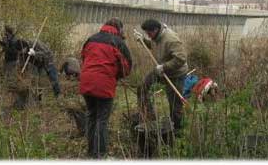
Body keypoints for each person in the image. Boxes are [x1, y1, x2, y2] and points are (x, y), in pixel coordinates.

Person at [79, 18, 132, 159]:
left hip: (86, 82)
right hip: (104, 86)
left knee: (91, 116)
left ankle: (91, 152)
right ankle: (100, 155)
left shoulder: (91, 39)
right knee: (101, 119)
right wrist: (118, 75)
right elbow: (127, 66)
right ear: (119, 29)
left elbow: (84, 57)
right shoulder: (118, 42)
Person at [135, 19, 188, 131]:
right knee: (142, 87)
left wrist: (164, 67)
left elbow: (181, 58)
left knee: (174, 105)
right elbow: (154, 45)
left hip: (175, 74)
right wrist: (142, 40)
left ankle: (177, 131)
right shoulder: (155, 37)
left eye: (149, 34)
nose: (148, 36)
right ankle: (149, 117)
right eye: (146, 34)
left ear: (156, 29)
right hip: (161, 70)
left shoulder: (171, 39)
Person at [13, 39, 61, 109]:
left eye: (22, 50)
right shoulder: (21, 51)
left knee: (53, 78)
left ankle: (58, 96)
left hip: (48, 61)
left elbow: (46, 54)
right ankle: (39, 99)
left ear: (25, 47)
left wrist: (35, 53)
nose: (21, 52)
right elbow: (22, 62)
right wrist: (21, 71)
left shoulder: (35, 43)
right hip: (37, 64)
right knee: (38, 81)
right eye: (20, 51)